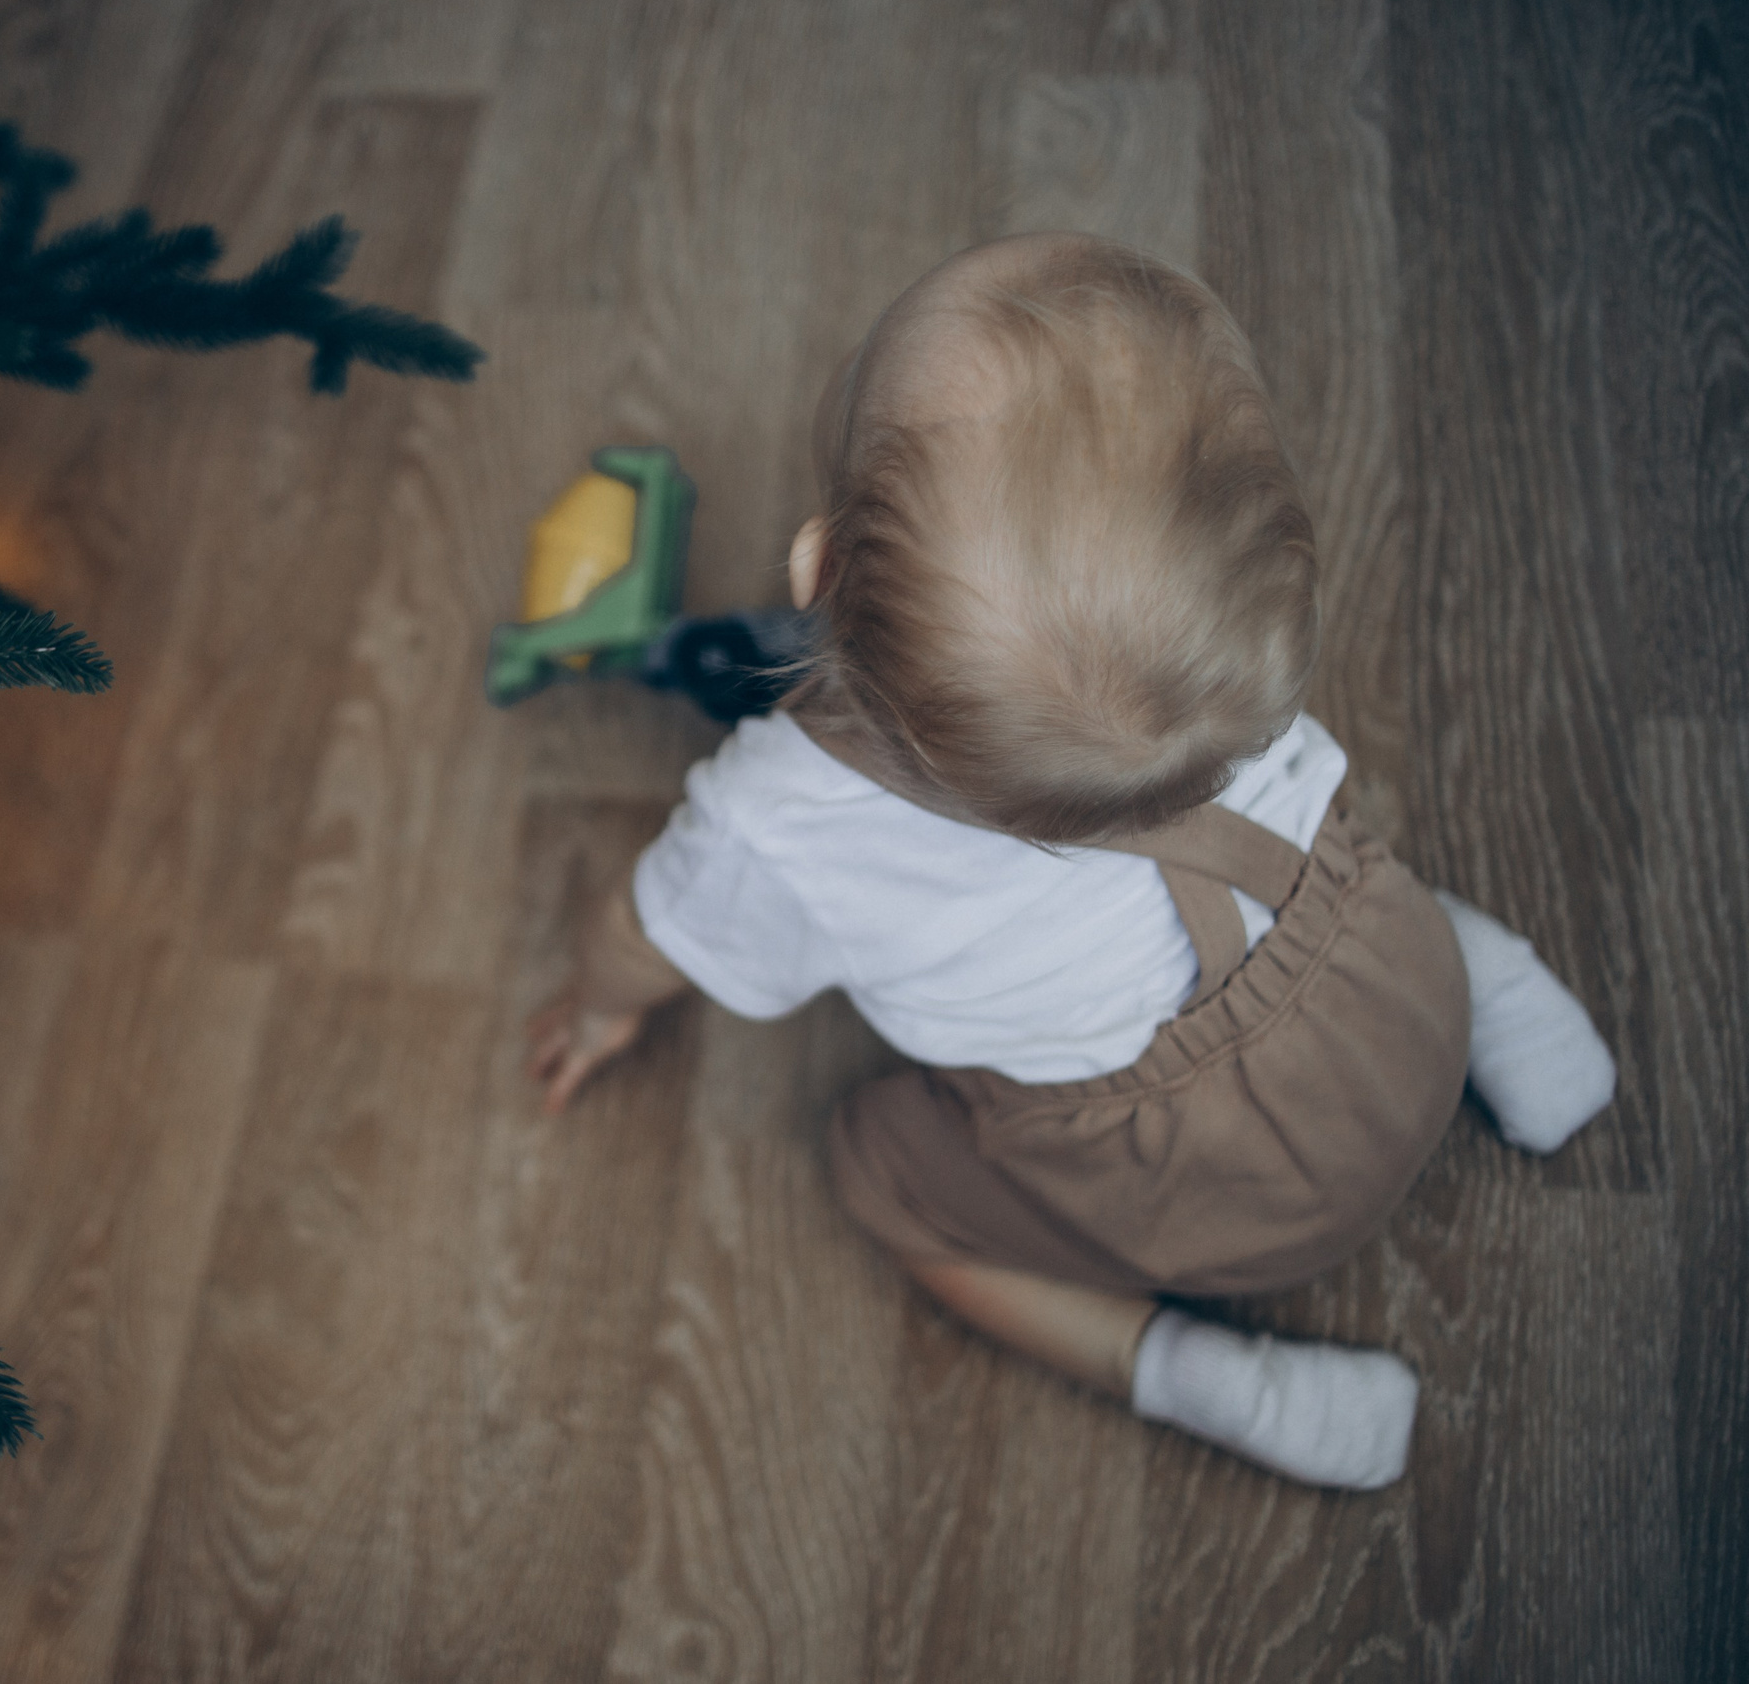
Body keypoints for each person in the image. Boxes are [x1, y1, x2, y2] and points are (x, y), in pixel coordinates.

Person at [523, 232, 1618, 1491]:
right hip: (1401, 1005)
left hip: (1189, 1199)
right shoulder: (1223, 688)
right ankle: (1504, 992)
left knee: (878, 1176)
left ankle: (1195, 1379)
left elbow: (646, 932)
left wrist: (602, 1007)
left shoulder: (779, 815)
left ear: (814, 570)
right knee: (1327, 867)